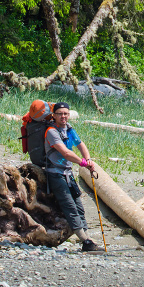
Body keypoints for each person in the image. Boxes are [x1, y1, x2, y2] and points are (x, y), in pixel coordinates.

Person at [44, 101, 101, 252]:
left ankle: (87, 238)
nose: (63, 116)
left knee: (79, 207)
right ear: (54, 115)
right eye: (60, 114)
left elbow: (80, 144)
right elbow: (66, 153)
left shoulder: (69, 129)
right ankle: (85, 241)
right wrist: (83, 163)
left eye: (66, 114)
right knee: (70, 206)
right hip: (55, 174)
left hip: (68, 173)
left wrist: (88, 159)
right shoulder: (51, 131)